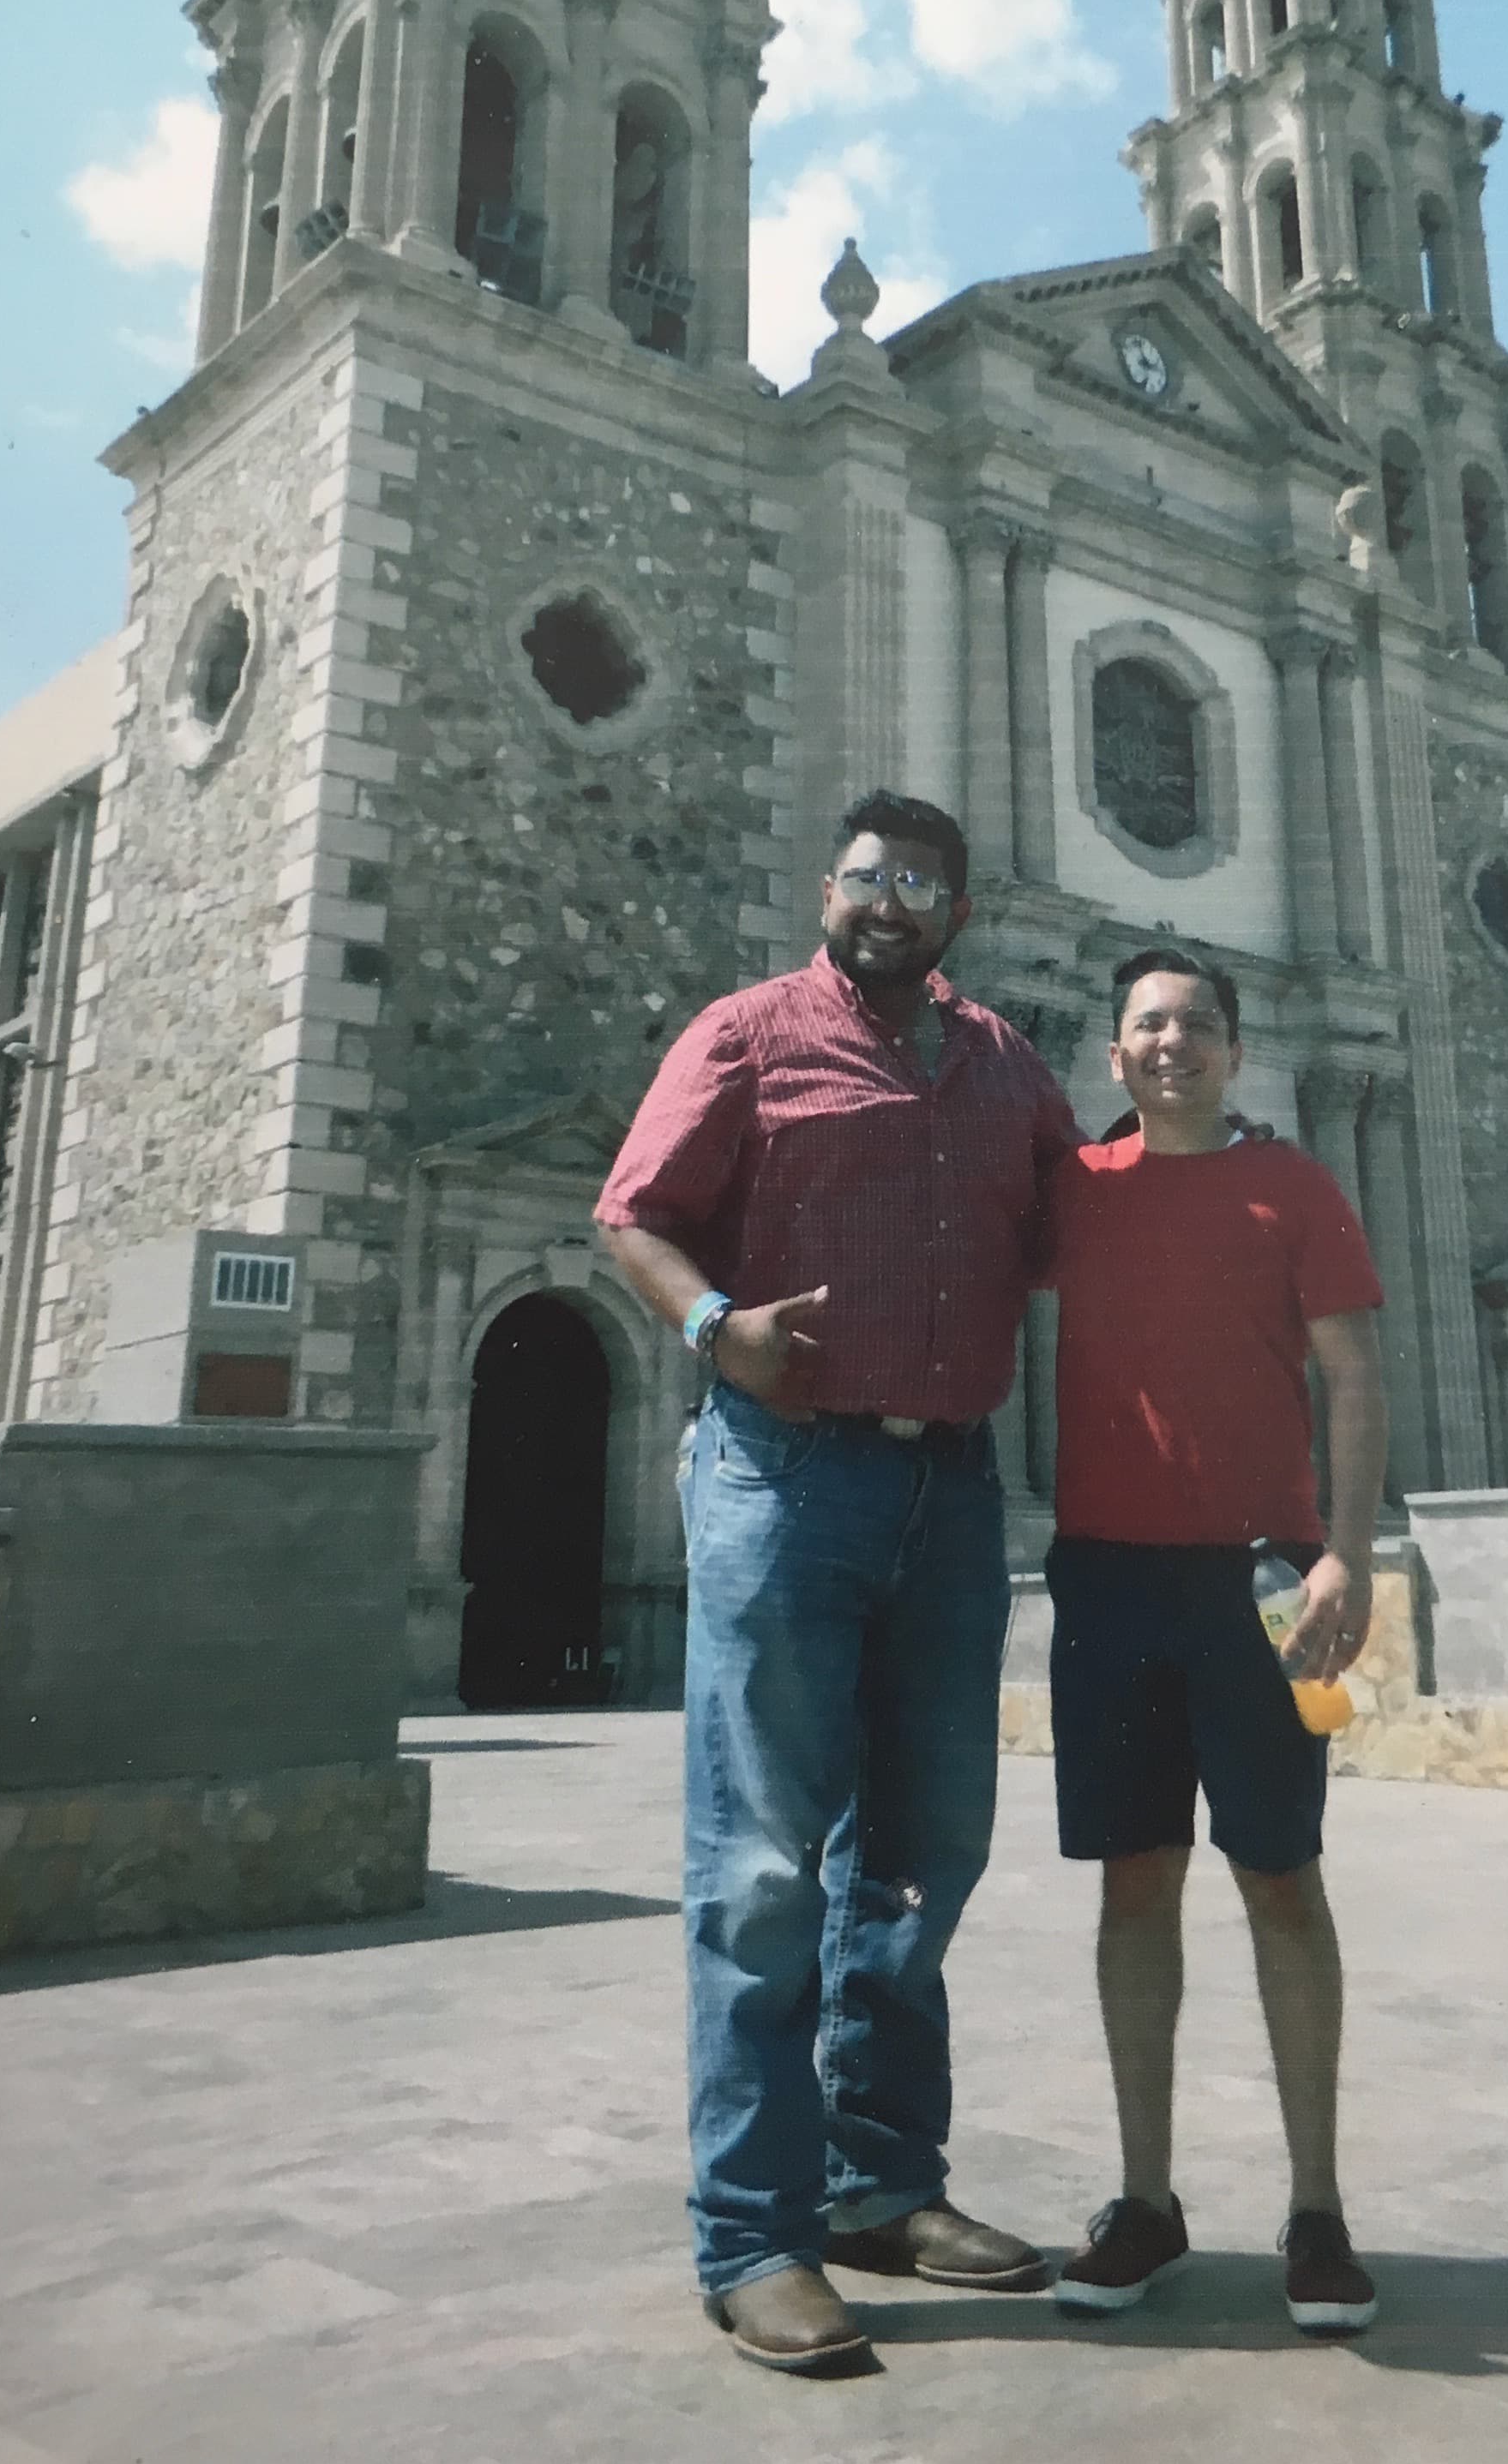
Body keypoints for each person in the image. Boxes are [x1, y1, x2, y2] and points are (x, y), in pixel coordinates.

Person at [595, 793, 1076, 2376]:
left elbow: (1077, 1224)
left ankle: (881, 2187)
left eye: (920, 882)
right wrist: (710, 1325)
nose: (889, 898)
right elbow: (633, 1214)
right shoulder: (747, 1034)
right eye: (867, 875)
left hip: (953, 1490)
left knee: (923, 1858)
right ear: (828, 892)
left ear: (957, 914)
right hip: (784, 1475)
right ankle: (754, 2236)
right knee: (763, 1865)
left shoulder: (1006, 1065)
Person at [1042, 946, 1390, 2336]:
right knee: (1133, 1887)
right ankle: (1146, 2201)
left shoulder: (1296, 1187)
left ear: (1236, 1052)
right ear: (1114, 1054)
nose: (1171, 1042)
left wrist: (1348, 1553)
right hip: (1107, 1581)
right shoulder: (1075, 1189)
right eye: (1147, 1025)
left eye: (1196, 1024)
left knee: (1281, 1881)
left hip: (1261, 1586)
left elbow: (1354, 1374)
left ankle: (1317, 2211)